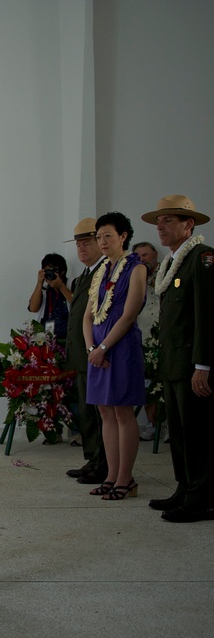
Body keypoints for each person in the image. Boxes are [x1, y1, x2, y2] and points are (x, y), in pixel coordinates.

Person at [142, 195, 214, 522]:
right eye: (158, 221)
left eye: (167, 220)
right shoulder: (173, 262)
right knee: (180, 433)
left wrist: (203, 365)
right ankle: (185, 488)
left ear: (188, 224)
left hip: (192, 366)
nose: (160, 226)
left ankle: (202, 497)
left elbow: (206, 316)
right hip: (172, 364)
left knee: (197, 432)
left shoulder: (201, 258)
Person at [83, 212, 147, 500]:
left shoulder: (136, 269)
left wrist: (104, 348)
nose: (102, 241)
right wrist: (90, 349)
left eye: (108, 235)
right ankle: (110, 475)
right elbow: (87, 316)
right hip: (97, 351)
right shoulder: (100, 272)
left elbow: (129, 314)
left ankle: (126, 478)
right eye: (99, 237)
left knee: (122, 411)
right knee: (104, 411)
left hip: (119, 348)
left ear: (123, 236)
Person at [64, 218, 107, 484]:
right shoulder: (83, 275)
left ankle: (103, 462)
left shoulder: (104, 272)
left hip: (94, 353)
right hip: (82, 354)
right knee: (86, 411)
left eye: (87, 242)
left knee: (99, 414)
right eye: (78, 243)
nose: (81, 248)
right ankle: (93, 459)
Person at [132, 241, 161, 440]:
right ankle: (152, 425)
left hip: (163, 338)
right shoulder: (133, 278)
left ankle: (166, 426)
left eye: (146, 255)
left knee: (163, 386)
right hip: (141, 338)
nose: (143, 259)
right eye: (139, 256)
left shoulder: (167, 272)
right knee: (147, 386)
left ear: (155, 255)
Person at [27, 253, 71, 340]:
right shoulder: (44, 290)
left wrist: (61, 286)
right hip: (46, 341)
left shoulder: (72, 284)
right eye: (47, 271)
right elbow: (33, 308)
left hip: (68, 339)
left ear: (62, 271)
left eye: (54, 270)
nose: (50, 274)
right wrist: (39, 283)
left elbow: (78, 305)